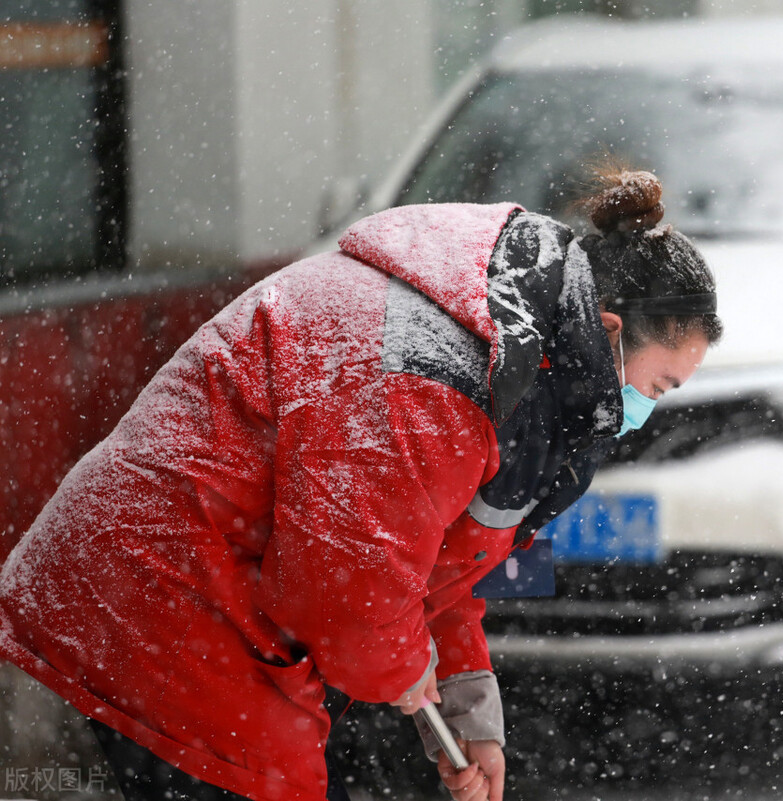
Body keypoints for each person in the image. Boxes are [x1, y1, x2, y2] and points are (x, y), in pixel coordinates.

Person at [0, 167, 722, 801]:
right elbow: (349, 592)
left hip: (209, 619)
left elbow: (437, 563)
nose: (644, 410)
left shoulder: (522, 363)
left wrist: (467, 713)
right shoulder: (440, 365)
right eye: (656, 384)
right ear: (608, 329)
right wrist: (403, 667)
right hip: (157, 610)